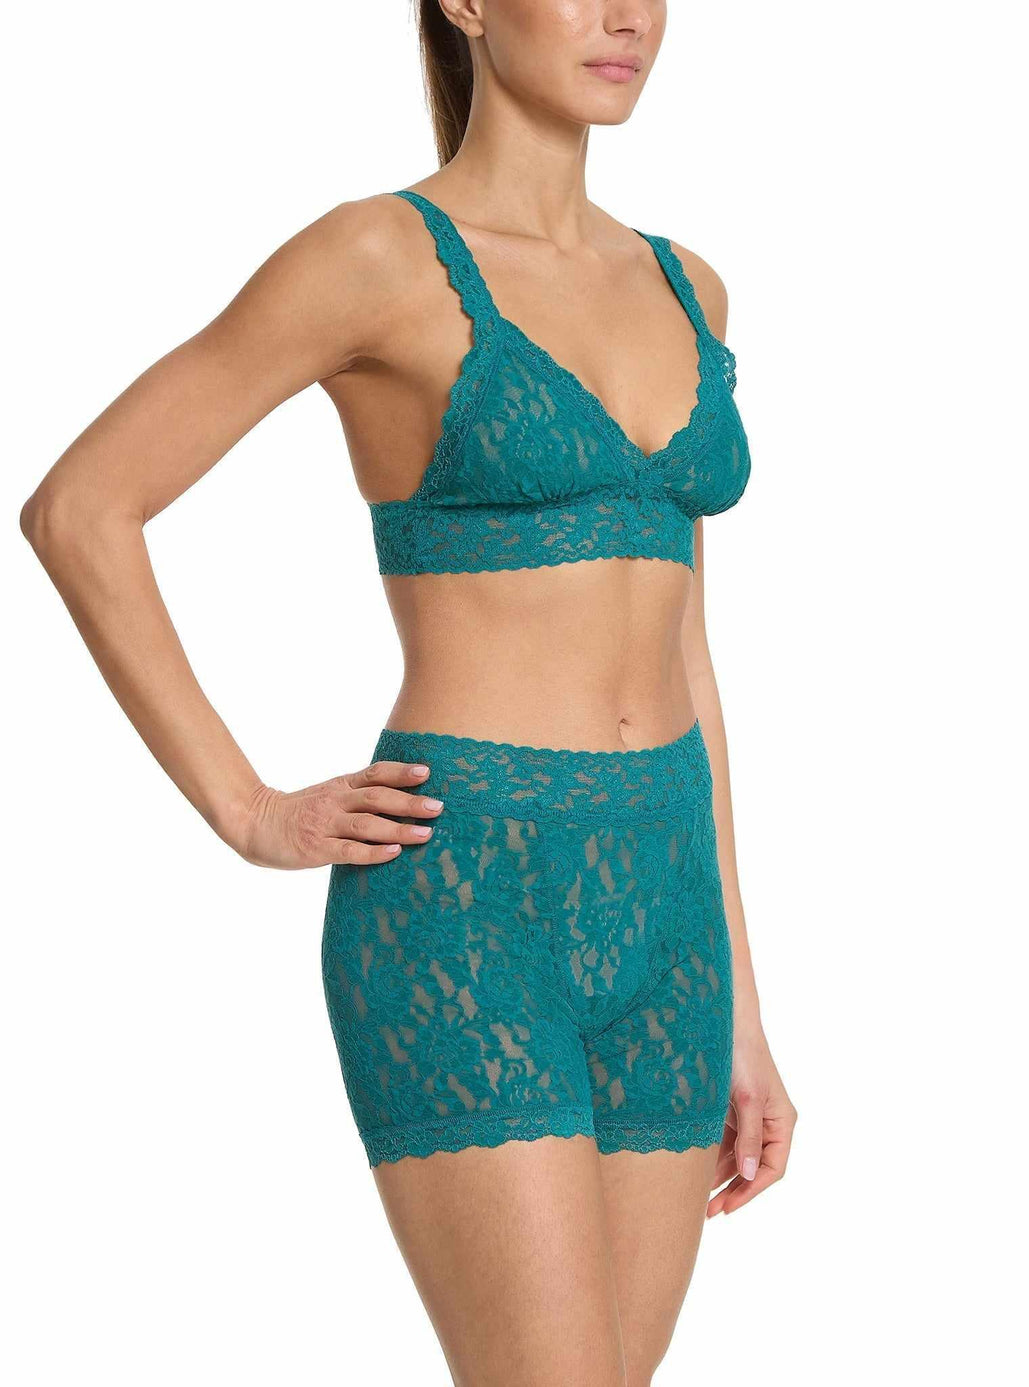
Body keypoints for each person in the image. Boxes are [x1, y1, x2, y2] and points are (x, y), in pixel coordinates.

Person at [20, 2, 796, 1383]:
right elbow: (83, 508)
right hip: (468, 899)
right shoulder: (377, 257)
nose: (627, 16)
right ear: (468, 2)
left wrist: (741, 999)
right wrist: (248, 810)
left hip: (670, 904)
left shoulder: (691, 287)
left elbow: (689, 648)